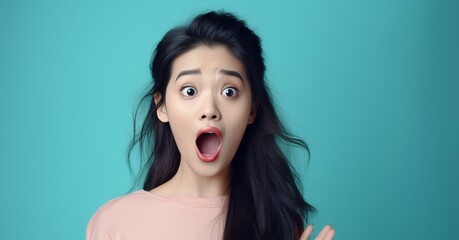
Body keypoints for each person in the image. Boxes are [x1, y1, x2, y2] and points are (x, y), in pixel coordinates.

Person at [86, 10, 335, 240]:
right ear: (162, 107)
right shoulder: (115, 223)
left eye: (229, 91)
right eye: (190, 90)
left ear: (252, 109)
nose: (209, 110)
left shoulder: (276, 222)